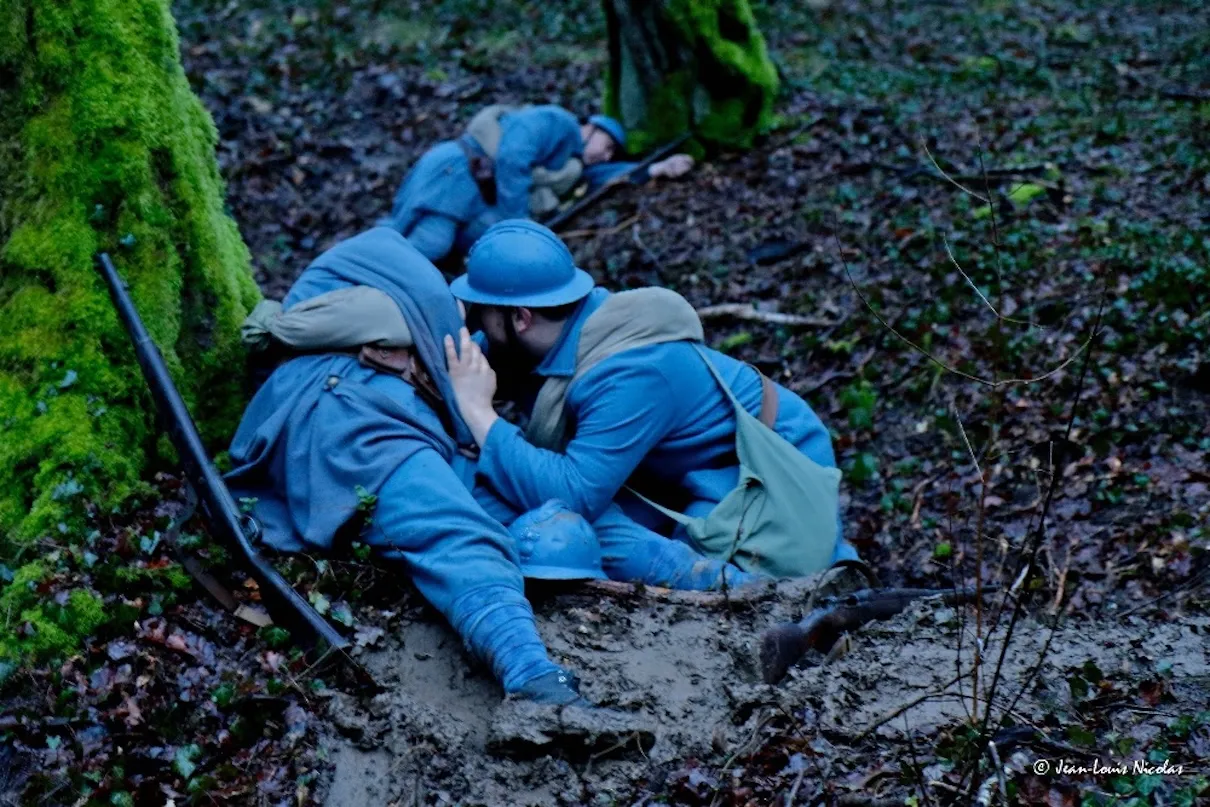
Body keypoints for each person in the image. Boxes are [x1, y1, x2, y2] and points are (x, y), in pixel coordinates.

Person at [226, 226, 596, 706]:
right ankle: (530, 675)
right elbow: (448, 524)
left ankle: (712, 580)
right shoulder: (349, 399)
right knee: (457, 534)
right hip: (355, 421)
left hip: (393, 421)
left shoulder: (388, 351)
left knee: (535, 519)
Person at [444, 220, 860, 578]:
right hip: (674, 468)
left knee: (604, 535)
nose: (477, 323)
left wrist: (480, 414)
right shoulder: (561, 328)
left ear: (520, 317)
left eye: (483, 312)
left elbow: (573, 494)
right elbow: (472, 356)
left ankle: (826, 589)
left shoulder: (630, 371)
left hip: (764, 463)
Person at [382, 105, 693, 264]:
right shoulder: (557, 122)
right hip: (457, 171)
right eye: (607, 144)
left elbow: (608, 177)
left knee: (462, 245)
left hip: (478, 196)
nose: (605, 155)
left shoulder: (573, 166)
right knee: (427, 242)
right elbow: (513, 156)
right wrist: (517, 227)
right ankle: (357, 275)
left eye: (611, 153)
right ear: (590, 128)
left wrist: (656, 168)